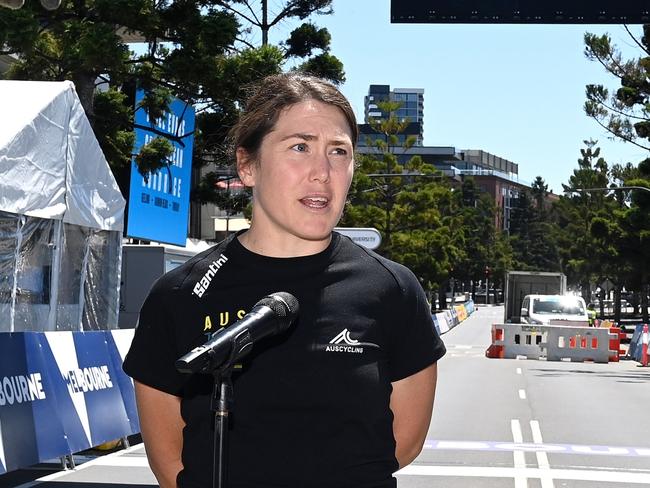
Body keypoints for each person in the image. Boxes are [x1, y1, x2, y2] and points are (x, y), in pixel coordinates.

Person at [123, 72, 446, 488]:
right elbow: (169, 459)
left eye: (339, 152)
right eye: (299, 147)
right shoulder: (179, 294)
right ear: (248, 165)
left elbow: (404, 440)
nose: (322, 172)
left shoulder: (394, 289)